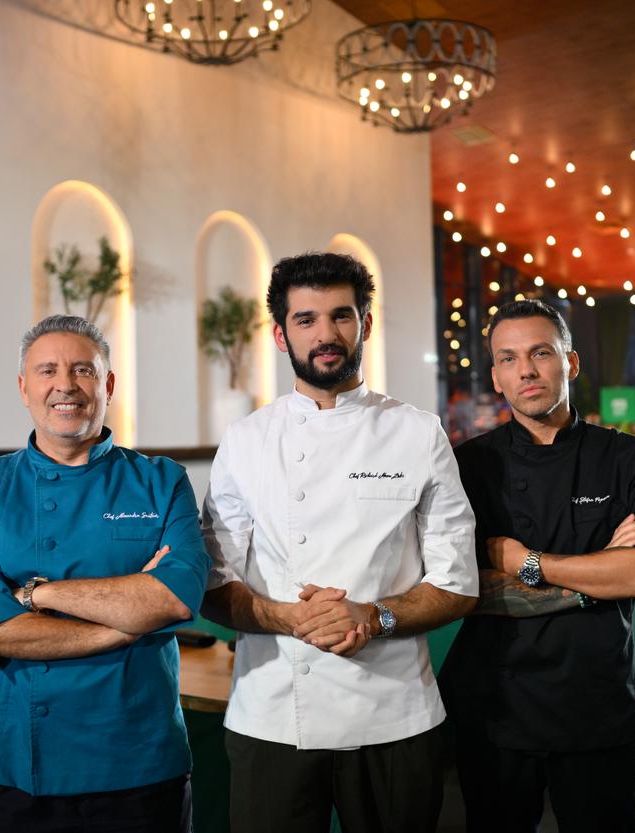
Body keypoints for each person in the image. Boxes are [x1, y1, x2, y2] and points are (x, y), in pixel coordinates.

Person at [201, 252, 479, 833]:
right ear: (281, 335)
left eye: (341, 316)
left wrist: (372, 617)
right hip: (273, 713)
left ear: (365, 324)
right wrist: (290, 618)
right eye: (306, 319)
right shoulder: (246, 441)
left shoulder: (418, 433)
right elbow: (214, 583)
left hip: (394, 714)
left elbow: (457, 583)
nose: (325, 334)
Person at [0, 315, 209, 833]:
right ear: (24, 388)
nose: (66, 385)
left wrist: (38, 595)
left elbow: (175, 599)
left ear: (108, 385)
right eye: (48, 371)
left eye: (83, 370)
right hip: (17, 762)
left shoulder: (161, 481)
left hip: (138, 757)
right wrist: (127, 623)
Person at [441, 299, 635, 833]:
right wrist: (601, 571)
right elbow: (464, 590)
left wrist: (524, 562)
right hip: (497, 710)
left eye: (541, 353)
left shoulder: (626, 456)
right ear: (496, 378)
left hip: (595, 702)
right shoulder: (468, 465)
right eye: (508, 359)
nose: (525, 370)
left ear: (570, 363)